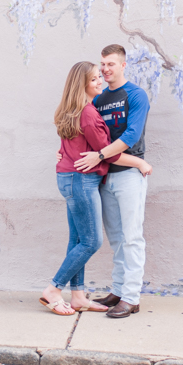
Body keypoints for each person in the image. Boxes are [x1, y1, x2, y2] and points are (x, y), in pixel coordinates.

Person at [40, 61, 152, 316]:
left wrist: (65, 155)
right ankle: (53, 289)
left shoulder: (69, 110)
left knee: (77, 239)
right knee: (91, 241)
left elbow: (70, 147)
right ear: (82, 85)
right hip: (82, 180)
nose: (100, 81)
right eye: (93, 79)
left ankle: (78, 295)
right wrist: (138, 161)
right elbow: (107, 154)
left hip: (69, 177)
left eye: (99, 76)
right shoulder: (89, 114)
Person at [74, 44, 150, 319]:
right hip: (106, 177)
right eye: (103, 64)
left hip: (129, 175)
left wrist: (100, 155)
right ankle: (118, 291)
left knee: (132, 238)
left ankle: (131, 298)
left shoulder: (135, 95)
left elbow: (131, 135)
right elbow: (85, 131)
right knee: (117, 238)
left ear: (123, 65)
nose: (105, 69)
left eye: (111, 64)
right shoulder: (99, 99)